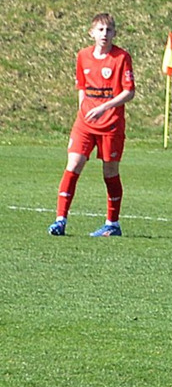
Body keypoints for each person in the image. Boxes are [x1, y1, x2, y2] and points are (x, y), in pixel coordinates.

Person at [49, 13, 135, 238]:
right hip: (85, 124)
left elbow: (129, 92)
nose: (104, 34)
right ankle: (60, 220)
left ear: (115, 33)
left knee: (110, 171)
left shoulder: (121, 57)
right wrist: (83, 109)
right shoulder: (83, 56)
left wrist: (105, 107)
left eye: (109, 30)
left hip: (111, 125)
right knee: (73, 165)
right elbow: (82, 87)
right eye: (100, 30)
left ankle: (112, 224)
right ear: (91, 33)